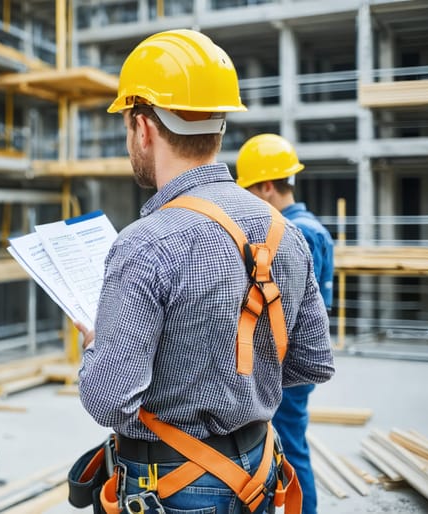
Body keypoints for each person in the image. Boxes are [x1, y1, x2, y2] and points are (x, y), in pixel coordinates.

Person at [75, 29, 335, 513]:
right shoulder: (285, 233)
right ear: (219, 125)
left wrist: (94, 348)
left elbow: (110, 401)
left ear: (143, 126)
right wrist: (240, 384)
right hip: (257, 475)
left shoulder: (146, 243)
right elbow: (312, 362)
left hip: (168, 488)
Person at [237, 133, 335, 514]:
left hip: (287, 356)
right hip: (294, 351)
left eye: (248, 192)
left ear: (266, 187)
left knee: (290, 449)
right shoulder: (310, 227)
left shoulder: (295, 234)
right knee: (289, 444)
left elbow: (281, 305)